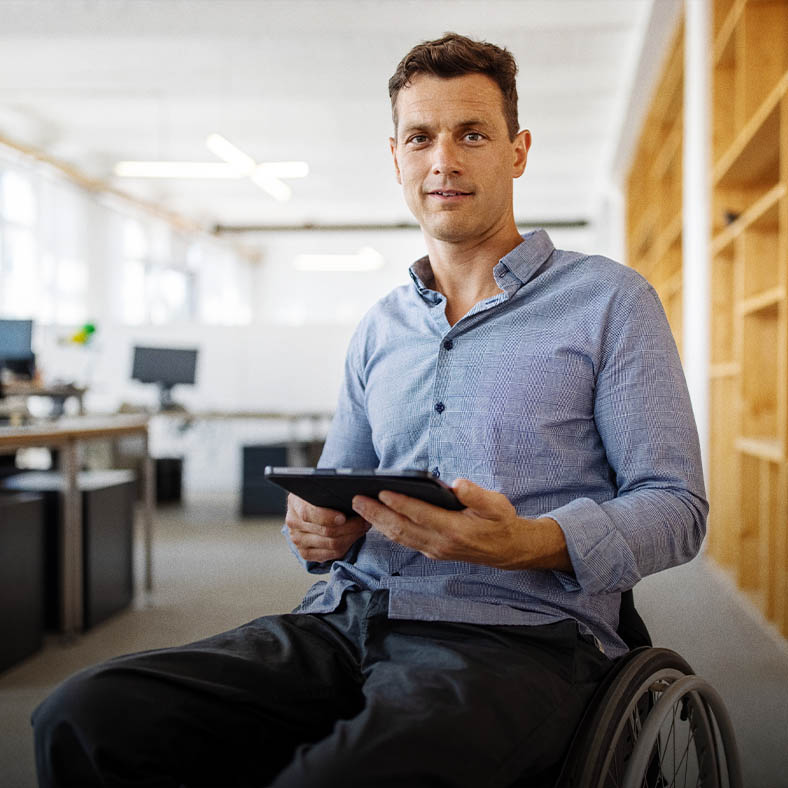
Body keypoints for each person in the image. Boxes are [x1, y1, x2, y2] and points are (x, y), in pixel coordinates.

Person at [32, 32, 707, 787]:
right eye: (421, 137)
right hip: (345, 622)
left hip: (516, 637)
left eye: (472, 134)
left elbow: (676, 506)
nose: (443, 161)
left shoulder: (610, 303)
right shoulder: (381, 327)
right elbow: (328, 500)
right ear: (396, 158)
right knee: (86, 714)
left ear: (517, 151)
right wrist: (318, 528)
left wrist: (528, 542)